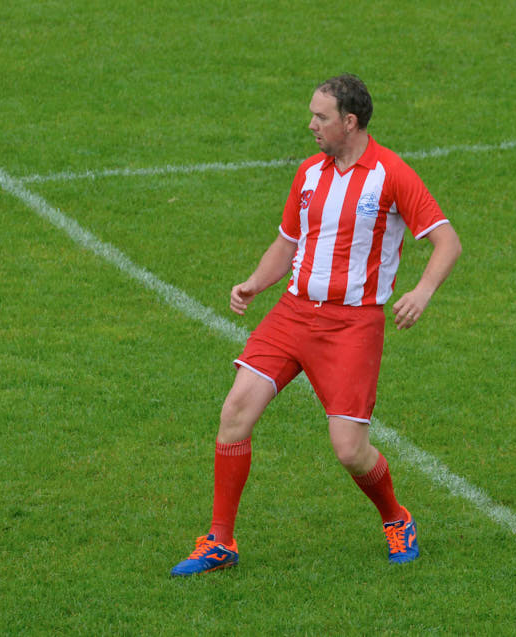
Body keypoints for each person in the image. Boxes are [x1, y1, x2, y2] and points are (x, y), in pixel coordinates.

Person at [171, 75, 462, 576]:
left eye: (321, 117)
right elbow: (288, 242)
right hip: (293, 314)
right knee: (235, 411)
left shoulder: (390, 174)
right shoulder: (308, 173)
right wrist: (254, 283)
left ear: (349, 122)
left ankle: (396, 518)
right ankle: (220, 541)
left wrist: (422, 292)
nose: (311, 125)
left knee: (349, 450)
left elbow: (447, 242)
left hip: (353, 326)